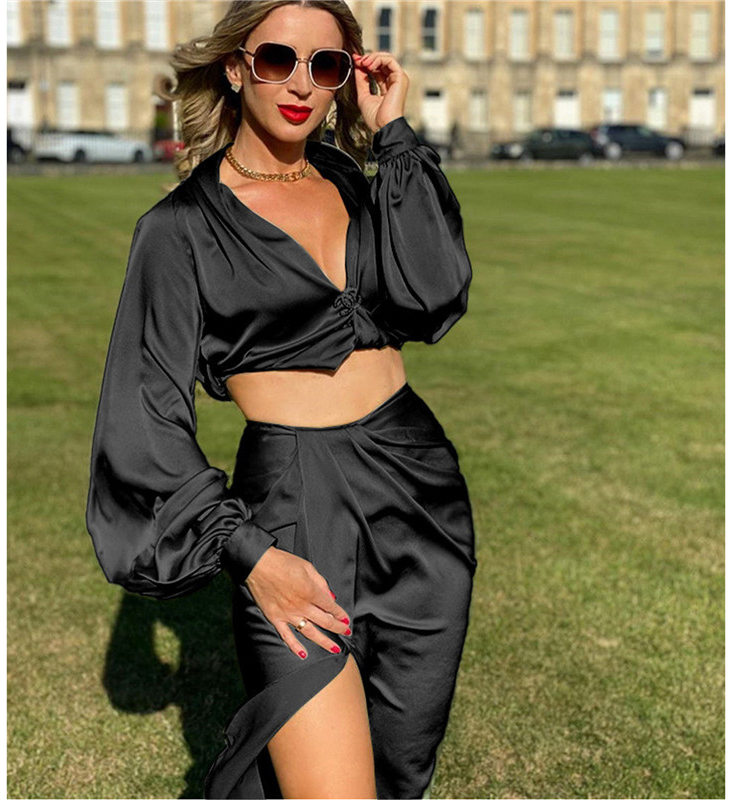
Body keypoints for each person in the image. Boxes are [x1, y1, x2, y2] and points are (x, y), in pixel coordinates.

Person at [85, 1, 477, 798]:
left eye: (324, 65)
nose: (300, 84)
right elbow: (142, 419)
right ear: (237, 68)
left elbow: (435, 291)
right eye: (277, 60)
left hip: (420, 487)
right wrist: (250, 554)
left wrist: (394, 135)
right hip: (297, 503)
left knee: (399, 771)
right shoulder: (179, 229)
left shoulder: (353, 181)